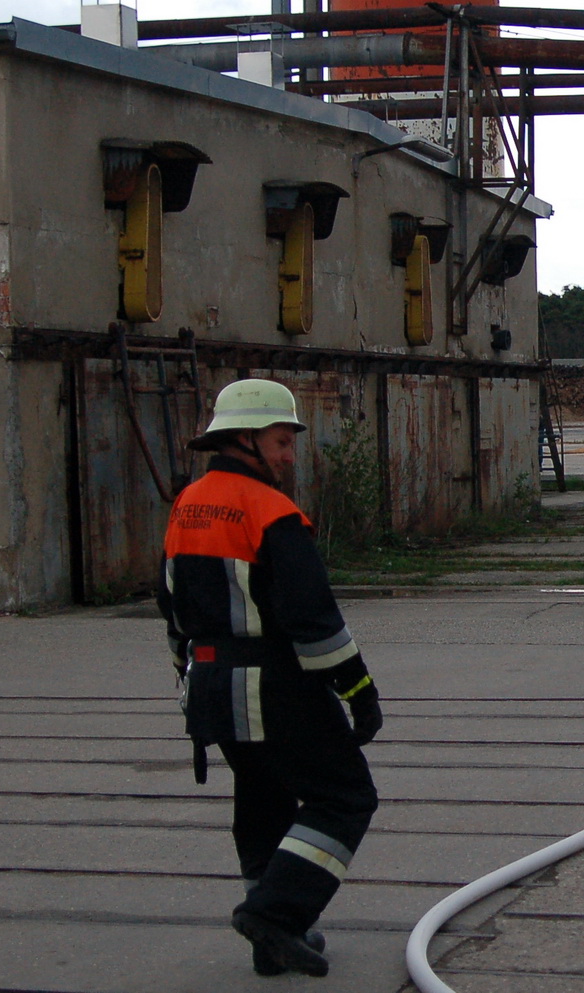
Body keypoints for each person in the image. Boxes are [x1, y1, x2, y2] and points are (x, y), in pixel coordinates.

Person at [156, 379, 382, 977]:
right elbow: (312, 618)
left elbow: (171, 604)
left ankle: (272, 940)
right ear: (246, 440)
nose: (289, 456)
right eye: (281, 442)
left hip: (210, 687)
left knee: (262, 798)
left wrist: (187, 678)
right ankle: (277, 915)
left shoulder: (187, 505)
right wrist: (359, 691)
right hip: (275, 685)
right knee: (345, 798)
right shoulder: (272, 512)